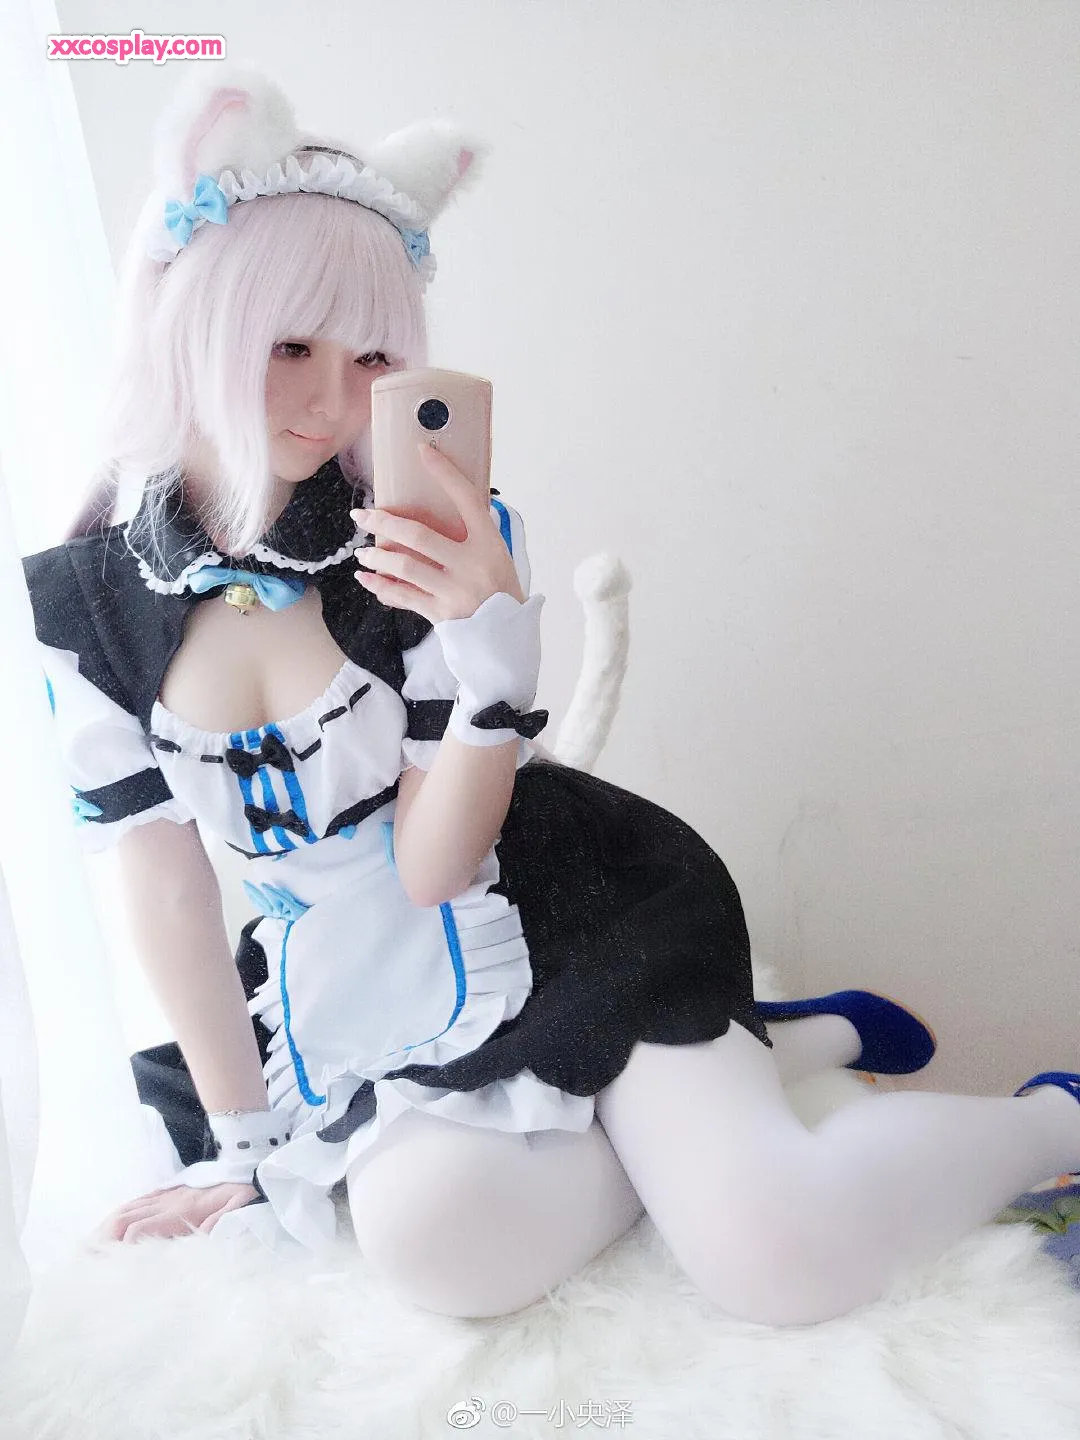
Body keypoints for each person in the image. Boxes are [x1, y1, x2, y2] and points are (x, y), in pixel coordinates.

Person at [20, 63, 1080, 1327]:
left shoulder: (417, 535)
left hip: (568, 904)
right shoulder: (85, 603)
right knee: (435, 1250)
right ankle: (766, 1053)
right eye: (287, 344)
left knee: (776, 1259)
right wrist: (242, 1147)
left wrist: (492, 667)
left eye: (371, 355)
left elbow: (433, 867)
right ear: (194, 315)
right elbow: (166, 890)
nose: (330, 400)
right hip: (358, 991)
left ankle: (1049, 1119)